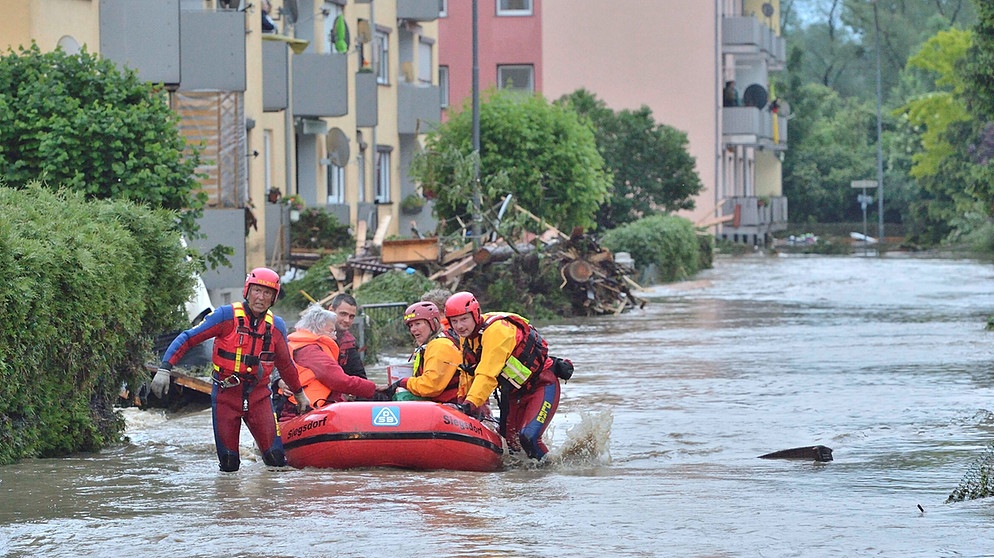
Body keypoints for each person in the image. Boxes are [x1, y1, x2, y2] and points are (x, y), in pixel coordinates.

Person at [151, 267, 311, 472]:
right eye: (257, 291)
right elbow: (188, 338)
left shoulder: (276, 326)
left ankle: (269, 502)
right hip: (226, 395)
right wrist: (165, 368)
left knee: (276, 459)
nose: (261, 298)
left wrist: (299, 394)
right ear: (247, 290)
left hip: (259, 397)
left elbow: (286, 365)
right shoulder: (225, 316)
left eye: (267, 293)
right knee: (228, 464)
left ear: (274, 298)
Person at [444, 291, 561, 460]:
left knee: (528, 438)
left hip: (542, 385)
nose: (459, 326)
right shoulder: (467, 337)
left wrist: (469, 405)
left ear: (476, 315)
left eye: (464, 319)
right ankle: (517, 482)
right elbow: (468, 373)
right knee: (511, 443)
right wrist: (462, 403)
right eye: (454, 321)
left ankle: (548, 476)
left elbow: (486, 373)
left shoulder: (496, 331)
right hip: (513, 393)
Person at [274, 303, 381, 419]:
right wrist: (373, 388)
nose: (335, 337)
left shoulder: (300, 345)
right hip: (296, 411)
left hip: (301, 406)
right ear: (318, 329)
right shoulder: (310, 351)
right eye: (331, 331)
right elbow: (339, 380)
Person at [379, 301, 463, 403]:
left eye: (417, 324)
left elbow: (429, 386)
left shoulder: (440, 346)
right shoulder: (430, 344)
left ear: (433, 323)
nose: (413, 329)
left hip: (453, 406)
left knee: (401, 395)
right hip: (443, 403)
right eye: (411, 326)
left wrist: (402, 382)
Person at [327, 293, 367, 379]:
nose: (347, 320)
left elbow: (360, 377)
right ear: (331, 310)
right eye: (343, 314)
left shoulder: (349, 344)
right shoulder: (314, 337)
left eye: (351, 316)